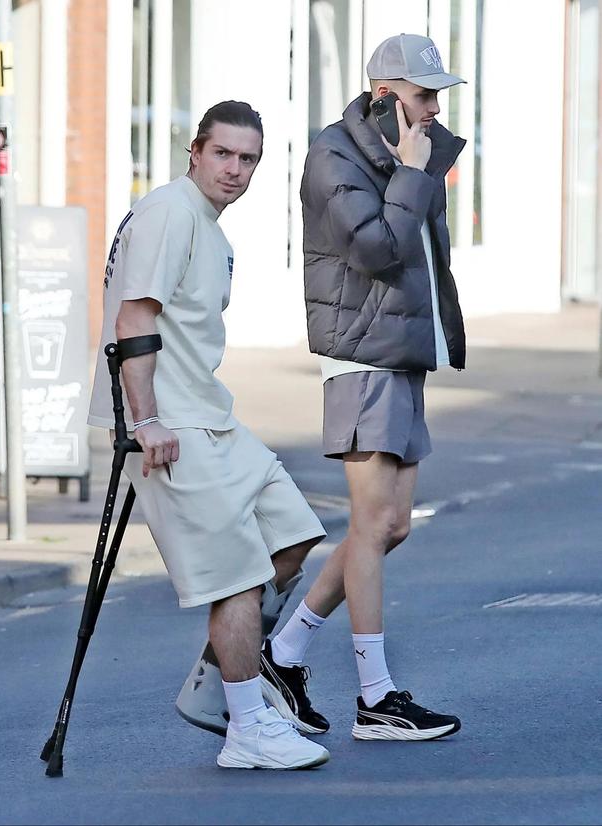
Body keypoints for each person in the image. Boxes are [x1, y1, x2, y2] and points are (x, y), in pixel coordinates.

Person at [88, 101, 329, 770]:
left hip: (211, 414)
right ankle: (247, 727)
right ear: (194, 151)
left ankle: (216, 682)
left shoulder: (210, 228)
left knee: (292, 534)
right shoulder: (170, 212)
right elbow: (134, 318)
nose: (235, 169)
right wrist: (145, 422)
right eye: (223, 153)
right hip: (171, 424)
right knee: (238, 576)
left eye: (248, 159)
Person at [258, 33, 467, 741]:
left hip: (402, 352)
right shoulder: (334, 156)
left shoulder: (408, 153)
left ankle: (285, 650)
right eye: (422, 94)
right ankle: (376, 698)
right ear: (384, 95)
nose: (433, 108)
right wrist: (411, 171)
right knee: (372, 526)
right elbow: (378, 248)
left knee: (392, 525)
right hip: (362, 354)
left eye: (437, 94)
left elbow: (425, 257)